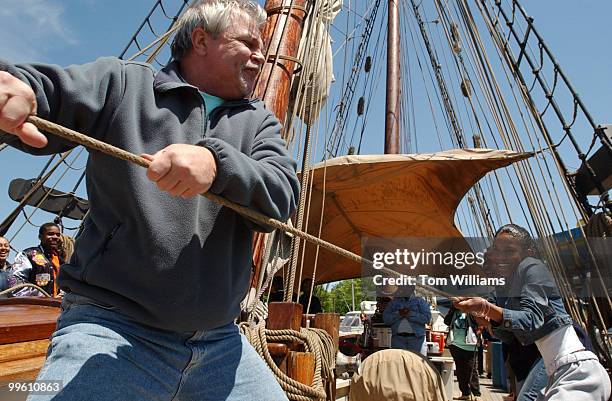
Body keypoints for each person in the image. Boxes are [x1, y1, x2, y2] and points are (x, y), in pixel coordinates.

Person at [0, 0, 300, 399]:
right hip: (110, 328)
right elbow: (48, 92)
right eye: (248, 42)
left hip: (221, 344)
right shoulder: (124, 84)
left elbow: (282, 196)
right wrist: (18, 88)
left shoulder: (259, 121)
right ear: (201, 40)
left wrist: (217, 163)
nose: (262, 54)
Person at [455, 224, 611, 401]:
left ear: (528, 252)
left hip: (577, 372)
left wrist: (485, 308)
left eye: (509, 251)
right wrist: (489, 320)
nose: (500, 257)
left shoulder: (534, 267)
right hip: (557, 372)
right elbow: (509, 336)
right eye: (497, 251)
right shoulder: (508, 287)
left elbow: (532, 319)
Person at [11, 222, 65, 297]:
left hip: (56, 305)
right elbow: (15, 283)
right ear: (40, 237)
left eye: (58, 234)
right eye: (50, 234)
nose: (55, 237)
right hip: (32, 305)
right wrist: (44, 296)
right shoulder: (27, 255)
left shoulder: (60, 260)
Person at [444, 305, 482, 401]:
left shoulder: (471, 311)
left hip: (470, 345)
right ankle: (465, 392)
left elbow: (479, 322)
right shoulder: (454, 312)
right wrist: (452, 309)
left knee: (471, 370)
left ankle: (476, 393)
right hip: (456, 344)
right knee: (460, 370)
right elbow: (447, 321)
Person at [382, 287, 431, 353]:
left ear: (412, 288)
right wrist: (398, 313)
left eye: (406, 287)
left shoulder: (420, 301)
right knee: (398, 363)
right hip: (398, 340)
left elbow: (427, 319)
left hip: (417, 340)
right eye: (402, 287)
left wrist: (410, 314)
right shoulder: (393, 303)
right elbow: (386, 319)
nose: (404, 289)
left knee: (416, 362)